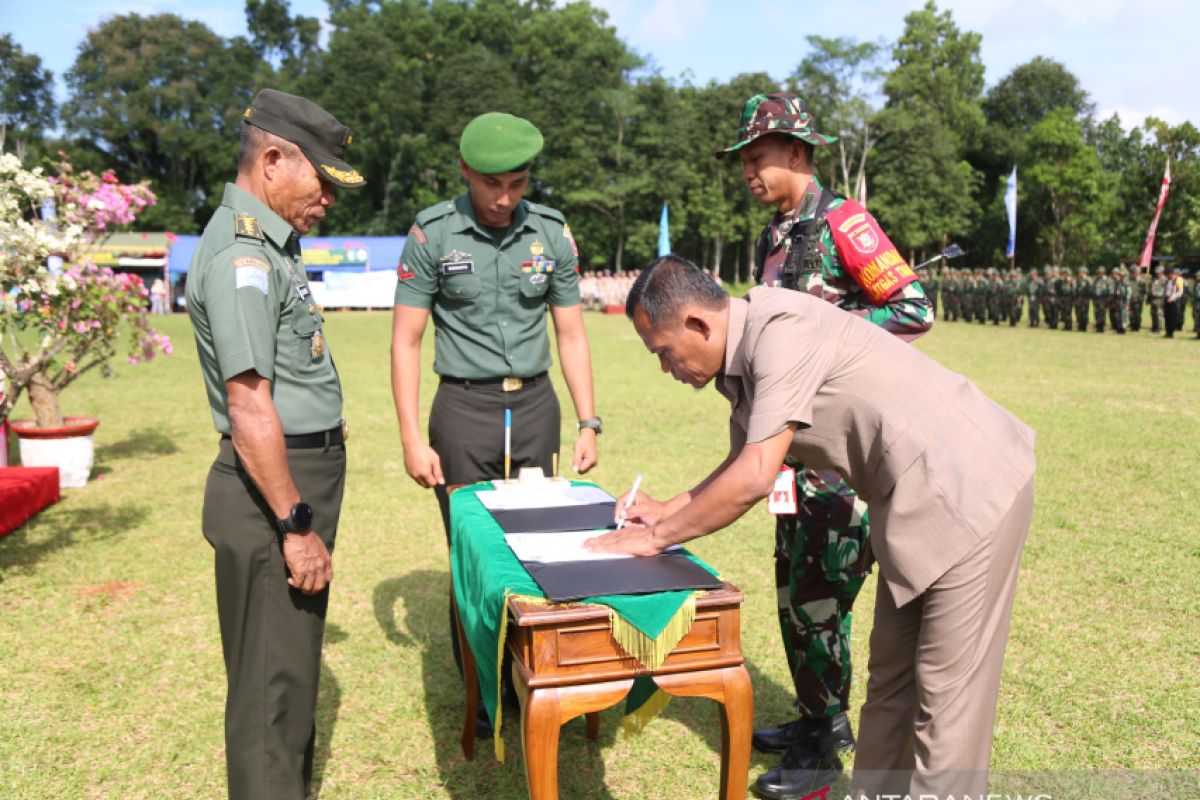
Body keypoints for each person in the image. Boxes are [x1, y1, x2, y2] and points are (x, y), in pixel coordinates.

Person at [588, 256, 1036, 800]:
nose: (665, 367)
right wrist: (664, 510)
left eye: (662, 352)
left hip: (968, 487)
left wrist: (655, 538)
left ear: (698, 325)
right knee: (891, 681)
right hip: (909, 503)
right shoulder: (745, 356)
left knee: (946, 699)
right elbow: (742, 462)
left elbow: (755, 477)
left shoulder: (780, 331)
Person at [715, 92, 932, 799]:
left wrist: (831, 328)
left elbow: (912, 308)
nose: (748, 170)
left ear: (799, 154)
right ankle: (818, 718)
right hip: (791, 455)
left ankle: (823, 748)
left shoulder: (843, 221)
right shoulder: (775, 236)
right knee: (795, 592)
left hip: (839, 460)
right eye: (743, 160)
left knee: (821, 601)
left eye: (759, 157)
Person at [390, 112, 600, 725]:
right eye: (491, 184)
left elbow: (571, 332)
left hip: (535, 407)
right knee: (474, 555)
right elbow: (405, 341)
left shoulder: (552, 233)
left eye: (517, 182)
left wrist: (588, 421)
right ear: (464, 172)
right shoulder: (432, 234)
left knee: (542, 548)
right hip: (463, 411)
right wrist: (409, 437)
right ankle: (486, 691)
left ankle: (542, 676)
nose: (505, 198)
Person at [186, 88, 364, 800]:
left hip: (291, 482)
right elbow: (250, 404)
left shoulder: (269, 247)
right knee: (270, 692)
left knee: (286, 675)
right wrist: (294, 526)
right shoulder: (242, 257)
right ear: (271, 160)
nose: (328, 199)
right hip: (273, 497)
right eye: (320, 180)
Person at [1164, 264, 1185, 338]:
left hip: (1174, 301)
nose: (1167, 276)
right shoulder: (1167, 280)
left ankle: (1171, 332)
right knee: (1167, 317)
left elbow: (1180, 292)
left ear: (1172, 273)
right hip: (1166, 299)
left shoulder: (1179, 280)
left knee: (1172, 317)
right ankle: (1167, 331)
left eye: (1168, 274)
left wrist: (1172, 298)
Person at [1092, 267, 1112, 333]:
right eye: (1098, 273)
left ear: (1104, 273)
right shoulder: (1095, 280)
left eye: (1101, 273)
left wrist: (1108, 300)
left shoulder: (1108, 280)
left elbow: (1110, 291)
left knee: (1102, 314)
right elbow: (1093, 289)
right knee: (1096, 313)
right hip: (1096, 299)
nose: (1099, 274)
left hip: (1104, 299)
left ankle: (1101, 328)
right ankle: (1097, 327)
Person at [1149, 265, 1167, 333]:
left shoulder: (1164, 280)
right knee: (1153, 313)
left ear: (1162, 272)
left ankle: (1159, 327)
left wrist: (1156, 294)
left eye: (1159, 272)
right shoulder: (1154, 279)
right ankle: (1154, 326)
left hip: (1160, 299)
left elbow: (1164, 290)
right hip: (1153, 299)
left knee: (1159, 313)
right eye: (1156, 273)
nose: (1157, 274)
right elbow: (1151, 288)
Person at [1074, 267, 1091, 332]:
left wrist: (1087, 299)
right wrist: (1075, 298)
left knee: (1084, 313)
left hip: (1084, 299)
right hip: (1078, 299)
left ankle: (1084, 327)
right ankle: (1079, 326)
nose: (1080, 274)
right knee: (1078, 313)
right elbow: (1075, 290)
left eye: (1081, 272)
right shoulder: (1077, 280)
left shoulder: (1087, 280)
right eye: (1079, 272)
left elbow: (1089, 291)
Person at [1129, 265, 1146, 332]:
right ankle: (1132, 325)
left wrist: (1139, 299)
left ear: (1138, 272)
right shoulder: (1129, 280)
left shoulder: (1142, 281)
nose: (1133, 274)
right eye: (1132, 272)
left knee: (1137, 313)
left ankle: (1137, 326)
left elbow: (1144, 292)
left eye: (1135, 272)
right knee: (1131, 313)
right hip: (1130, 299)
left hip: (1138, 300)